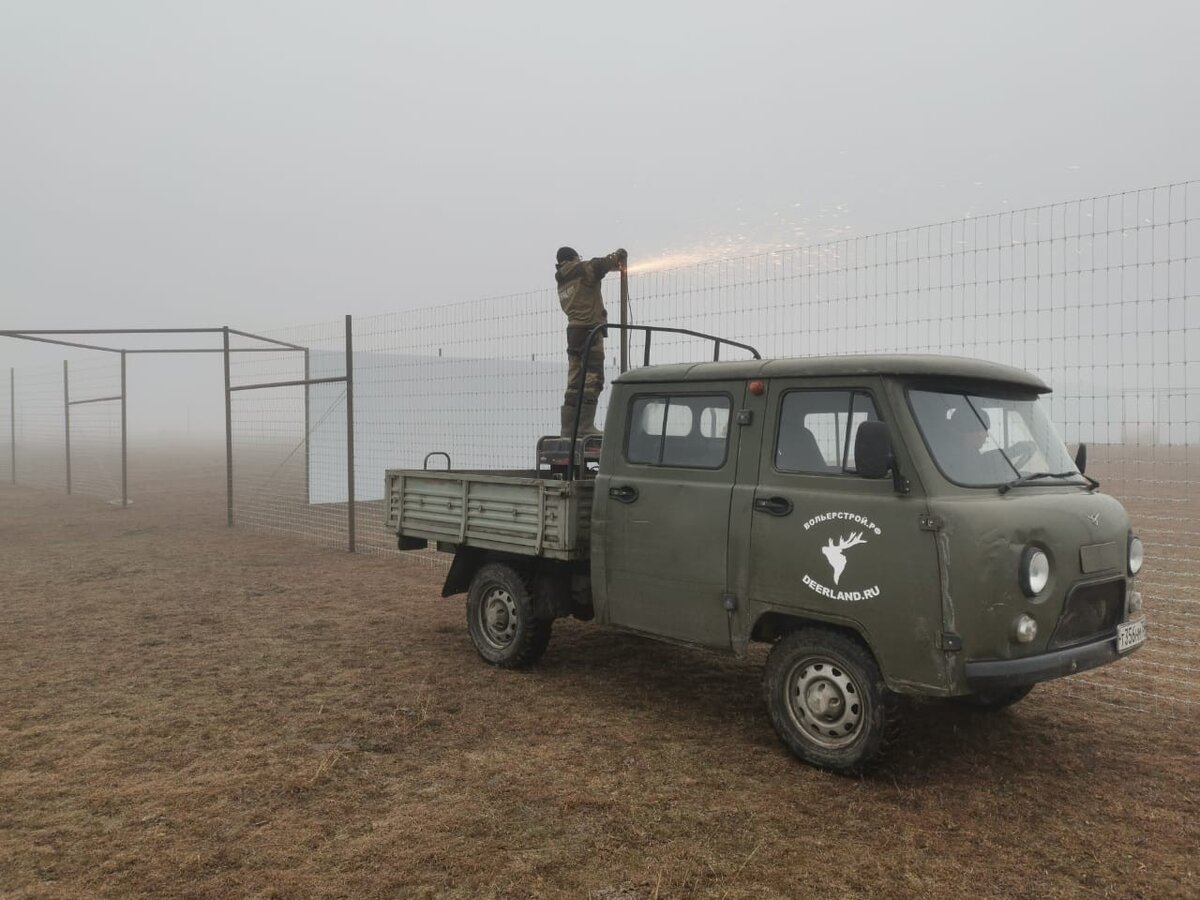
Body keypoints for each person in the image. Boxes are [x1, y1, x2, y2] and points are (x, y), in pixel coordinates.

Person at [554, 246, 626, 436]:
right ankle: (585, 426)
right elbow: (600, 264)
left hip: (574, 332)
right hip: (590, 331)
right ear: (574, 258)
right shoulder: (581, 269)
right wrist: (618, 256)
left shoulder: (562, 280)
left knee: (574, 382)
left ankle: (569, 428)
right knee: (593, 379)